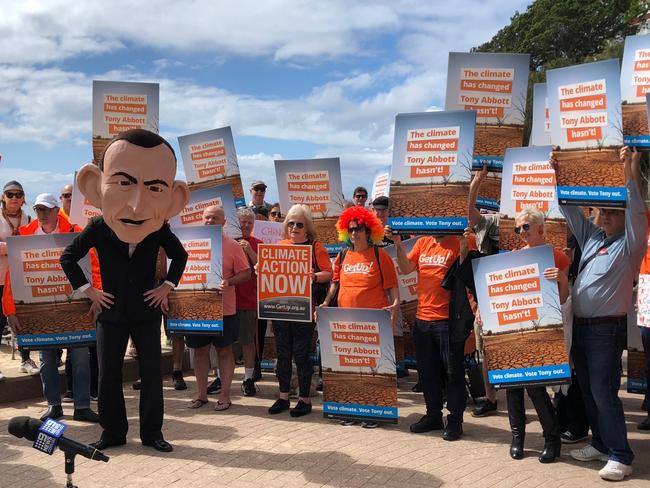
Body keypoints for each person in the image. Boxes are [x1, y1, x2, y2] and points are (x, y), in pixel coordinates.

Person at [60, 129, 190, 453]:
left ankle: (152, 434)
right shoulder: (99, 227)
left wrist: (166, 286)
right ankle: (113, 433)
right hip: (111, 311)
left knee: (151, 374)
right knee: (108, 375)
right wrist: (89, 290)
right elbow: (68, 258)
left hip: (146, 310)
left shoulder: (157, 226)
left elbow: (181, 255)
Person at [558, 146, 646, 481]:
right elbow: (569, 209)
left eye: (612, 212)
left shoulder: (630, 243)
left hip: (605, 331)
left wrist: (627, 170)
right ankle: (600, 443)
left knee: (604, 392)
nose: (605, 217)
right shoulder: (594, 238)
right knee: (588, 390)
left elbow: (637, 210)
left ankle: (621, 455)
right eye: (602, 212)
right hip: (582, 327)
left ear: (623, 215)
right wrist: (560, 171)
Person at [3, 193, 99, 423]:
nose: (42, 214)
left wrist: (96, 297)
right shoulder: (24, 236)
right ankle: (53, 406)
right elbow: (12, 277)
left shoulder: (75, 232)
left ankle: (82, 406)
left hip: (78, 310)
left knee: (80, 357)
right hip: (39, 310)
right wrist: (10, 311)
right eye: (38, 210)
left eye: (47, 209)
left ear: (57, 211)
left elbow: (94, 266)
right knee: (46, 359)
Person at [392, 228, 474, 440]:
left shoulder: (461, 240)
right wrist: (398, 244)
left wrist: (465, 247)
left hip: (449, 320)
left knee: (453, 374)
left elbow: (468, 273)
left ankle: (455, 421)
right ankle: (433, 416)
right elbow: (405, 267)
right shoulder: (422, 243)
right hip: (423, 320)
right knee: (427, 373)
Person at [320, 206, 399, 428]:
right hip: (347, 322)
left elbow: (392, 286)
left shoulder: (379, 255)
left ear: (369, 230)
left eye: (359, 228)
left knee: (374, 368)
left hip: (374, 322)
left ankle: (375, 412)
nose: (354, 233)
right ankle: (352, 409)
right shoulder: (344, 255)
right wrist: (326, 302)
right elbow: (335, 282)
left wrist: (394, 304)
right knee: (351, 367)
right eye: (351, 229)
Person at [504, 208, 569, 463]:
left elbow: (563, 300)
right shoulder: (511, 258)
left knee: (536, 388)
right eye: (518, 228)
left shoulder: (557, 257)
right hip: (514, 329)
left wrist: (562, 279)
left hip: (541, 330)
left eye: (526, 227)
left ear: (541, 228)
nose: (521, 232)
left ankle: (552, 440)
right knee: (511, 385)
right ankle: (517, 438)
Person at [268, 204, 332, 417]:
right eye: (291, 223)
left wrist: (314, 276)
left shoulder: (316, 248)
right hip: (280, 309)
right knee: (283, 354)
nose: (294, 227)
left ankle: (304, 399)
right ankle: (283, 397)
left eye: (299, 224)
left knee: (302, 355)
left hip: (304, 310)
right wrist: (263, 269)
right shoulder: (279, 245)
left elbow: (329, 274)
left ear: (307, 228)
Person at [186, 205, 250, 411]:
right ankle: (201, 394)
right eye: (206, 218)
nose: (209, 222)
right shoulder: (191, 244)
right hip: (199, 308)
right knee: (200, 351)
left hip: (225, 309)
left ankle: (224, 395)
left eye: (214, 219)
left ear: (223, 223)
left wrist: (229, 282)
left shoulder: (232, 245)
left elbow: (246, 273)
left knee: (224, 351)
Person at [467, 167, 499, 417]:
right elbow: (470, 216)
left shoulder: (539, 219)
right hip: (490, 295)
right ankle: (491, 398)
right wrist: (475, 185)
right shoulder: (494, 221)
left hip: (525, 291)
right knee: (486, 350)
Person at [0, 181, 37, 378]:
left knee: (23, 321)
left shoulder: (29, 219)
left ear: (23, 198)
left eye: (18, 194)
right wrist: (13, 247)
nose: (14, 198)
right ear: (3, 197)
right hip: (0, 278)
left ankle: (25, 359)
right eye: (10, 194)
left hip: (19, 280)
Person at [234, 207, 262, 396]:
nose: (245, 225)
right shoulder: (226, 241)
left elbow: (263, 267)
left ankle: (248, 379)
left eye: (249, 223)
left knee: (247, 342)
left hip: (248, 300)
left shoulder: (258, 243)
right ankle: (220, 377)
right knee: (223, 344)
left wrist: (250, 250)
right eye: (242, 222)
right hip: (226, 299)